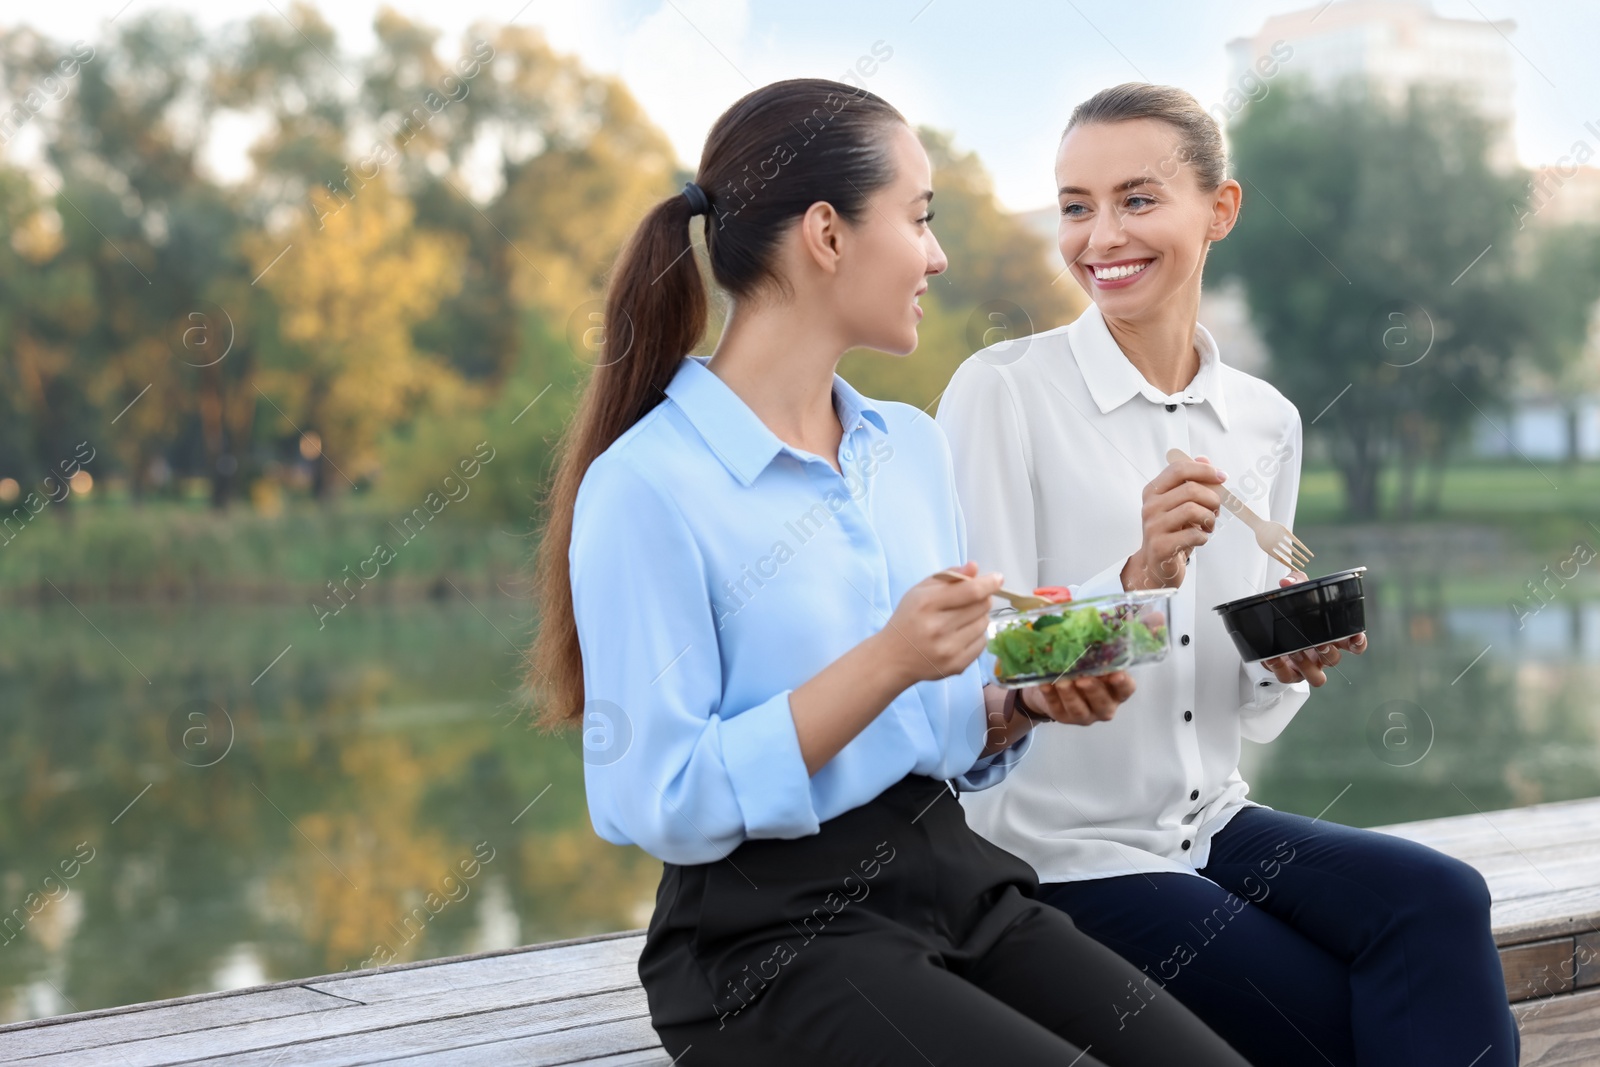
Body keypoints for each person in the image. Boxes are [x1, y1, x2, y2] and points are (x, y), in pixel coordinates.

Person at [528, 78, 1253, 1067]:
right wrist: (888, 659)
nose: (938, 254)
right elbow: (656, 795)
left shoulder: (902, 449)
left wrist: (1026, 698)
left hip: (952, 877)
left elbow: (943, 726)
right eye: (918, 218)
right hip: (766, 936)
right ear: (826, 234)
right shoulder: (647, 486)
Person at [935, 82, 1519, 1067]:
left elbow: (1242, 714)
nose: (1097, 235)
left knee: (1442, 897)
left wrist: (1285, 658)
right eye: (1076, 204)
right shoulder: (1002, 396)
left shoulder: (1264, 420)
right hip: (1057, 854)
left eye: (1135, 198)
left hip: (1212, 821)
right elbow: (978, 667)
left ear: (1220, 209)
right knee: (1353, 1017)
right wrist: (1140, 573)